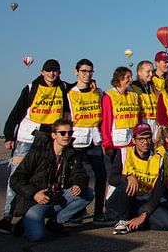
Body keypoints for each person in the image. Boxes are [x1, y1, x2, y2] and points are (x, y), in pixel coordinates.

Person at [0, 59, 70, 235]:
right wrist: (9, 135)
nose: (51, 74)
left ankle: (37, 213)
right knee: (16, 175)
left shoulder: (62, 87)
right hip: (27, 137)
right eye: (48, 71)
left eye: (55, 71)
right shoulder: (31, 87)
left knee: (46, 175)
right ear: (42, 72)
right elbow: (17, 111)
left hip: (48, 138)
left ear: (59, 73)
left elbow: (78, 86)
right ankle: (7, 217)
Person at [9, 119, 93, 242]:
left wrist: (78, 184)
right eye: (62, 133)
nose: (67, 136)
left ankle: (55, 223)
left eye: (70, 133)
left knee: (88, 193)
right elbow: (15, 179)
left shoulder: (71, 154)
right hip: (36, 201)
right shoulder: (38, 153)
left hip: (57, 197)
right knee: (37, 237)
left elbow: (81, 175)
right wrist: (35, 194)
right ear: (54, 135)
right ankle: (24, 222)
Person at [106, 123, 168, 234]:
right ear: (134, 140)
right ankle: (123, 219)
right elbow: (112, 179)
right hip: (120, 201)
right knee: (127, 183)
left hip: (142, 201)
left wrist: (145, 214)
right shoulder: (124, 153)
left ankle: (136, 222)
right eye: (141, 139)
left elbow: (159, 191)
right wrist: (128, 177)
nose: (145, 142)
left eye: (148, 138)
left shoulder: (158, 158)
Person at [67, 59, 109, 224]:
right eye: (84, 71)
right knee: (77, 178)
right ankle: (77, 212)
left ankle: (99, 212)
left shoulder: (98, 92)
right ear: (76, 72)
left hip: (94, 140)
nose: (87, 74)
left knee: (101, 176)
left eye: (90, 71)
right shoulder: (70, 94)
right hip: (76, 141)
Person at [101, 67, 141, 164]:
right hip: (117, 143)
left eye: (130, 77)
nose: (130, 80)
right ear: (119, 78)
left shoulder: (134, 96)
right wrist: (108, 144)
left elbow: (138, 118)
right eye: (127, 77)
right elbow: (106, 122)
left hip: (132, 142)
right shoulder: (109, 96)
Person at [132, 60, 159, 136]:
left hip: (155, 123)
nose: (151, 74)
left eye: (152, 72)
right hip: (143, 121)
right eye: (148, 72)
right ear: (139, 72)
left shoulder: (154, 87)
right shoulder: (133, 87)